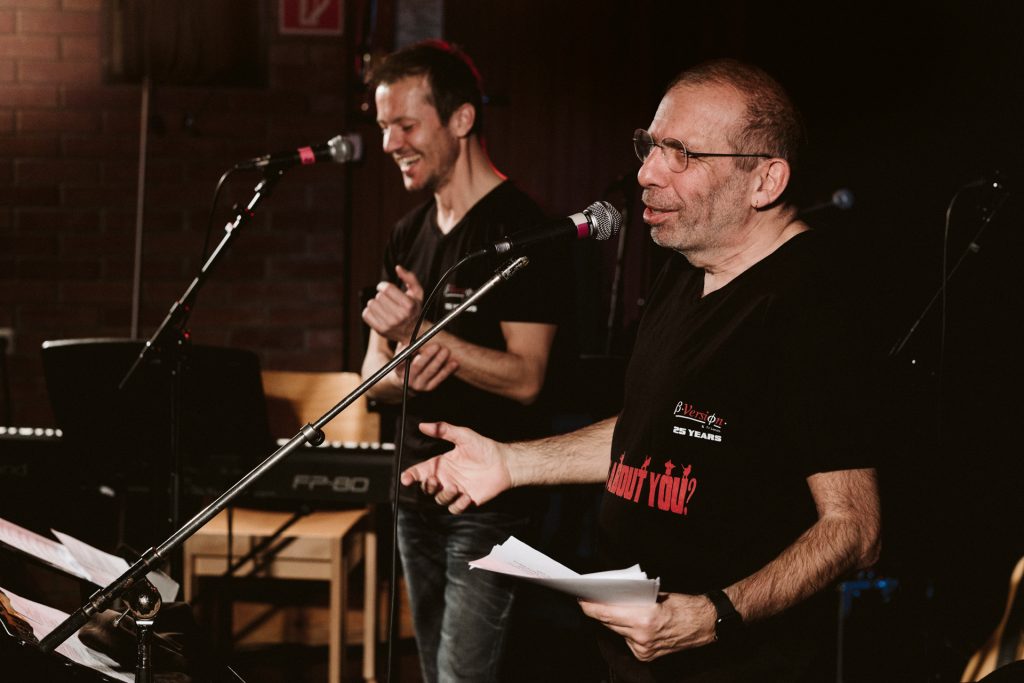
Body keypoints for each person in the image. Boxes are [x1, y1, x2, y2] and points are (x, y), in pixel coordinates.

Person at [400, 58, 882, 683]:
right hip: (631, 655)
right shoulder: (683, 272)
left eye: (681, 154)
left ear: (765, 180)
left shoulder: (810, 303)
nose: (647, 173)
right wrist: (511, 464)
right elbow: (648, 432)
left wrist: (714, 615)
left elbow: (854, 528)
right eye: (649, 146)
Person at [360, 41, 570, 682]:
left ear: (461, 119)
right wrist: (405, 365)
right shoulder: (407, 234)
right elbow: (370, 380)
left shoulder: (522, 229)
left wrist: (422, 336)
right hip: (413, 491)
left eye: (405, 124)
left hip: (487, 503)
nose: (390, 143)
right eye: (383, 127)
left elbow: (528, 378)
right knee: (432, 672)